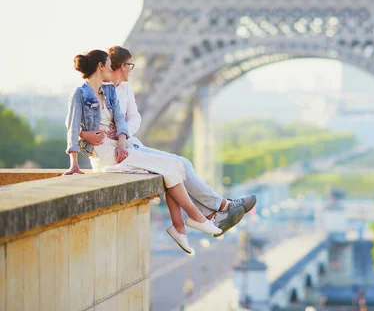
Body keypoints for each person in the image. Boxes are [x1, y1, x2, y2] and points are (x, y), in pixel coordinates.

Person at [82, 45, 256, 238]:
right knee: (176, 165)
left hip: (129, 144)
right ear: (121, 66)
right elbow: (84, 126)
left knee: (182, 163)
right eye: (130, 65)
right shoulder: (96, 92)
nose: (131, 69)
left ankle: (211, 212)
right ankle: (216, 209)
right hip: (114, 152)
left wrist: (123, 133)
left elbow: (134, 118)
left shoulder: (125, 89)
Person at [65, 49, 220, 255]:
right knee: (170, 166)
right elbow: (72, 127)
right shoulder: (80, 94)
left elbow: (121, 119)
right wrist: (76, 158)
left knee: (174, 165)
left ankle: (180, 226)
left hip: (117, 147)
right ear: (100, 67)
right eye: (109, 65)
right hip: (102, 152)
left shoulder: (110, 91)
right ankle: (195, 217)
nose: (112, 69)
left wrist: (121, 142)